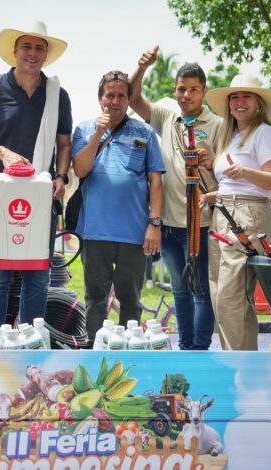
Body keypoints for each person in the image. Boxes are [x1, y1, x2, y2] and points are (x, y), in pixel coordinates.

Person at [0, 21, 72, 331]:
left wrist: (61, 176)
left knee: (38, 274)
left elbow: (64, 143)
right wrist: (1, 152)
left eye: (39, 48)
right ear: (14, 51)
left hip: (40, 194)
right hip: (0, 196)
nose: (32, 54)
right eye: (27, 47)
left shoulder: (57, 95)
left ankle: (30, 342)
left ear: (46, 54)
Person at [129, 46, 222, 350]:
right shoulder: (167, 116)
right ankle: (185, 347)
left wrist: (212, 163)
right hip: (168, 225)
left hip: (202, 225)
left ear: (204, 91)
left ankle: (199, 349)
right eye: (182, 89)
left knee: (202, 292)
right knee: (180, 290)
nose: (186, 95)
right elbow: (132, 98)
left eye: (194, 89)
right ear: (175, 89)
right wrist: (142, 67)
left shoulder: (219, 125)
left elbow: (229, 175)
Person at [71, 71, 165, 341]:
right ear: (100, 98)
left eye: (121, 95)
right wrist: (99, 133)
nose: (114, 101)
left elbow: (156, 183)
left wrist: (154, 225)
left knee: (131, 299)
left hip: (134, 233)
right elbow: (80, 169)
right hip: (94, 232)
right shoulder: (85, 129)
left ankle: (128, 352)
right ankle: (94, 351)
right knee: (95, 299)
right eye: (109, 95)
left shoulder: (145, 132)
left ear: (128, 99)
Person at [201, 74, 271, 351]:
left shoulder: (265, 133)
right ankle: (243, 363)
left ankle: (239, 366)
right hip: (225, 212)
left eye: (246, 96)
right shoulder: (232, 136)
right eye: (234, 97)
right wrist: (212, 196)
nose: (239, 102)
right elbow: (232, 184)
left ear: (258, 103)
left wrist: (245, 171)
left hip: (247, 215)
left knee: (230, 296)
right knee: (222, 294)